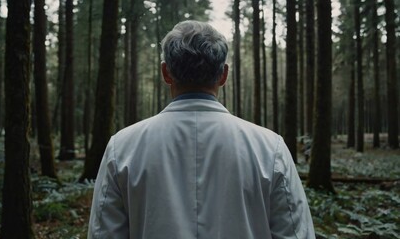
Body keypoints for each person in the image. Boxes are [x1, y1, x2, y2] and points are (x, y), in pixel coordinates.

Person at [88, 20, 315, 239]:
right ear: (223, 75)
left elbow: (103, 234)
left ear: (166, 73)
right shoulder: (270, 148)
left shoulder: (122, 147)